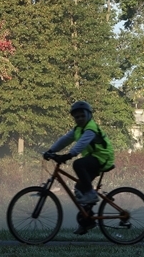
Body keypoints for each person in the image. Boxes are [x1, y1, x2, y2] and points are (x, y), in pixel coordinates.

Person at [43, 100, 115, 234]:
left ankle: (92, 194)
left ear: (88, 115)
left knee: (78, 164)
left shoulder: (91, 128)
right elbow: (64, 140)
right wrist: (51, 150)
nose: (80, 118)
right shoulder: (77, 129)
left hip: (103, 158)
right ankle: (87, 222)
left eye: (82, 116)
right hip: (94, 158)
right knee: (80, 189)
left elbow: (81, 144)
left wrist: (69, 155)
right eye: (77, 117)